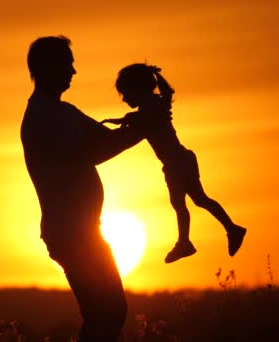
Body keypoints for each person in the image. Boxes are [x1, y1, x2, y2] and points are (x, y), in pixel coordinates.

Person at [20, 36, 143, 342]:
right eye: (68, 63)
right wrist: (144, 128)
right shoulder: (43, 117)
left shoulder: (62, 111)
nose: (74, 71)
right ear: (47, 67)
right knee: (107, 311)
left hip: (84, 231)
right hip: (71, 233)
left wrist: (139, 123)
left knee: (109, 311)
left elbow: (106, 137)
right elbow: (94, 151)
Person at [102, 63, 247, 263]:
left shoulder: (152, 107)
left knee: (183, 203)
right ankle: (227, 230)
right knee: (198, 200)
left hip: (177, 162)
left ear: (138, 89)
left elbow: (142, 122)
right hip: (179, 160)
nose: (125, 99)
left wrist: (122, 123)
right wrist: (123, 120)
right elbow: (143, 117)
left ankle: (187, 242)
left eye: (126, 94)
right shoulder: (153, 105)